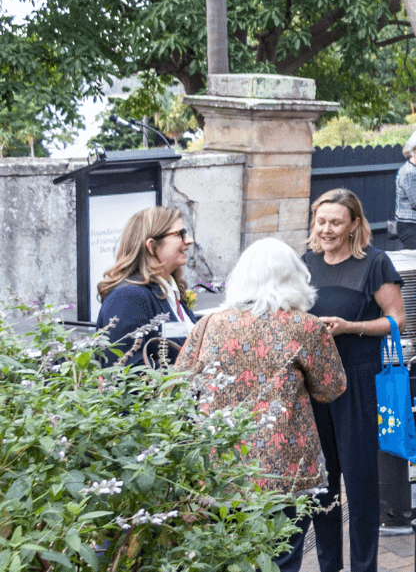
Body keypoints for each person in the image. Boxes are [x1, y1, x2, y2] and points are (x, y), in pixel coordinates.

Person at [173, 238, 346, 572]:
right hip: (287, 473)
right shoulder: (306, 327)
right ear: (294, 277)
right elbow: (331, 388)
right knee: (281, 560)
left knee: (227, 558)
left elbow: (178, 385)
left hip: (222, 469)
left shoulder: (209, 324)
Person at [301, 188, 406, 572]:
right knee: (321, 485)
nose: (326, 229)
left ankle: (365, 567)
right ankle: (329, 566)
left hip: (358, 382)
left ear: (354, 225)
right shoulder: (306, 262)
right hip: (313, 385)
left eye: (336, 222)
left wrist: (350, 327)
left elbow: (396, 319)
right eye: (321, 220)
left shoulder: (374, 263)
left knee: (361, 486)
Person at [95, 207, 198, 368]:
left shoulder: (170, 290)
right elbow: (123, 371)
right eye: (180, 234)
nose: (189, 240)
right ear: (152, 246)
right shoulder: (127, 297)